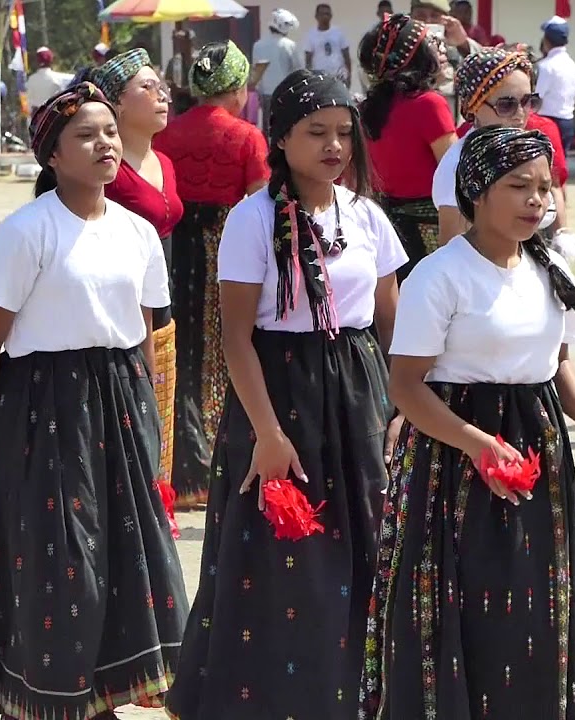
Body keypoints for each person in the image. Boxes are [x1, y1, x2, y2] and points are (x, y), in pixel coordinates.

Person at [165, 69, 406, 720]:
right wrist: (268, 435)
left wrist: (401, 409)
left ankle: (357, 696)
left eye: (344, 133)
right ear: (280, 137)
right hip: (277, 393)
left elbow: (393, 324)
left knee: (365, 542)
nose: (334, 146)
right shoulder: (250, 220)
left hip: (359, 392)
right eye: (316, 132)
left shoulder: (367, 216)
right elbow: (236, 338)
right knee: (277, 553)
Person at [360, 125, 575, 719]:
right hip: (454, 451)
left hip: (537, 445)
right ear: (477, 192)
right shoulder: (440, 275)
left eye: (545, 187)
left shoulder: (550, 268)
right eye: (519, 186)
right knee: (469, 600)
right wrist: (477, 443)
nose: (537, 200)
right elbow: (406, 386)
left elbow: (556, 359)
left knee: (538, 603)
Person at [0, 82, 187, 720]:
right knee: (64, 555)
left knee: (126, 554)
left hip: (122, 402)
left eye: (109, 132)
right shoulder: (26, 233)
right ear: (52, 155)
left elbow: (147, 335)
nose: (105, 144)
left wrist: (153, 423)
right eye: (85, 135)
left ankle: (105, 697)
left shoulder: (138, 232)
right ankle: (51, 698)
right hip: (45, 406)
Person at [154, 41, 270, 510]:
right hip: (226, 248)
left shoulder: (168, 133)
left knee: (177, 351)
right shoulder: (247, 137)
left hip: (171, 249)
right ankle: (215, 467)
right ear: (238, 88)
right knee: (223, 354)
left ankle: (177, 470)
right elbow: (261, 203)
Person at [92, 49, 185, 506]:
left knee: (160, 420)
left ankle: (158, 508)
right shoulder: (108, 172)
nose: (161, 94)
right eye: (146, 87)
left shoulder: (164, 162)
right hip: (123, 317)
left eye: (161, 85)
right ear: (117, 104)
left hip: (163, 309)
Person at [359, 13, 457, 279]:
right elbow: (454, 171)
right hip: (430, 230)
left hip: (384, 228)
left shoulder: (368, 108)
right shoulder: (428, 104)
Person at [435, 48, 567, 244]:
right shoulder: (457, 165)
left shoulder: (523, 150)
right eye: (506, 105)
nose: (520, 114)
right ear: (474, 105)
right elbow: (451, 246)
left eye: (527, 101)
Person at [252, 8, 302, 136]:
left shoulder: (258, 45)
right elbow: (298, 70)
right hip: (286, 93)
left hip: (265, 94)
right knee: (286, 129)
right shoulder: (289, 45)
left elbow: (256, 72)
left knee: (268, 129)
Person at [536, 16, 575, 150]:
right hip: (568, 122)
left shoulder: (546, 66)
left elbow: (537, 98)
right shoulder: (572, 65)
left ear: (546, 40)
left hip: (548, 122)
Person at [304, 3, 352, 86]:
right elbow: (308, 59)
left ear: (331, 16)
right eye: (322, 14)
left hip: (338, 76)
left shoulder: (338, 33)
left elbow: (346, 55)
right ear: (316, 16)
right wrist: (309, 78)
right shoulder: (311, 35)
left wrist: (349, 76)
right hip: (320, 78)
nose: (325, 16)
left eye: (327, 14)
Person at [25, 46, 73, 113]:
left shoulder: (31, 80)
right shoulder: (59, 78)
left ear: (37, 61)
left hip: (37, 116)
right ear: (51, 60)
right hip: (54, 114)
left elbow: (29, 103)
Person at [165, 29, 198, 117]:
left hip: (196, 104)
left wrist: (184, 89)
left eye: (183, 41)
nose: (180, 45)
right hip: (179, 106)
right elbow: (168, 81)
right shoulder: (174, 62)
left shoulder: (199, 60)